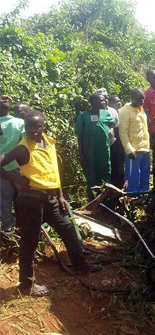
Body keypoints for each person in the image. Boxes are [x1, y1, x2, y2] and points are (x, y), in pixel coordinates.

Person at [0, 110, 99, 297]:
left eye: (37, 126)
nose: (33, 130)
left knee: (68, 228)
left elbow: (54, 171)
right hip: (30, 200)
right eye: (29, 126)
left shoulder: (49, 143)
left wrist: (61, 196)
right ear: (25, 127)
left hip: (51, 199)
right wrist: (16, 179)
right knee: (30, 241)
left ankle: (80, 266)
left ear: (43, 126)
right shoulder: (23, 148)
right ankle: (26, 286)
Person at [75, 93, 114, 200]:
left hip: (104, 151)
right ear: (93, 102)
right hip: (89, 151)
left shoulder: (105, 113)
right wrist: (81, 154)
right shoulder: (83, 116)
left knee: (105, 171)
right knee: (91, 174)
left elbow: (111, 123)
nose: (105, 102)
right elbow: (80, 136)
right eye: (102, 100)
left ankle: (105, 198)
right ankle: (92, 199)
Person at [0, 95, 25, 232]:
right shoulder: (19, 123)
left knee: (4, 199)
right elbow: (25, 145)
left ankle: (8, 227)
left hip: (1, 168)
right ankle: (26, 223)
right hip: (18, 167)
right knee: (24, 196)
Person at [120, 89, 150, 193]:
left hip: (145, 148)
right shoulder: (125, 111)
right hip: (134, 150)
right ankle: (132, 199)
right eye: (139, 99)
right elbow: (123, 133)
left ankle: (143, 198)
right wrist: (129, 149)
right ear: (132, 99)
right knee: (134, 177)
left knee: (145, 175)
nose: (142, 101)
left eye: (143, 98)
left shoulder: (141, 109)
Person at [108, 94, 125, 188]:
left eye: (119, 101)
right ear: (110, 104)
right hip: (115, 144)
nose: (119, 103)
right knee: (116, 166)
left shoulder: (124, 113)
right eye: (116, 102)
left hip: (125, 144)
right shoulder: (110, 114)